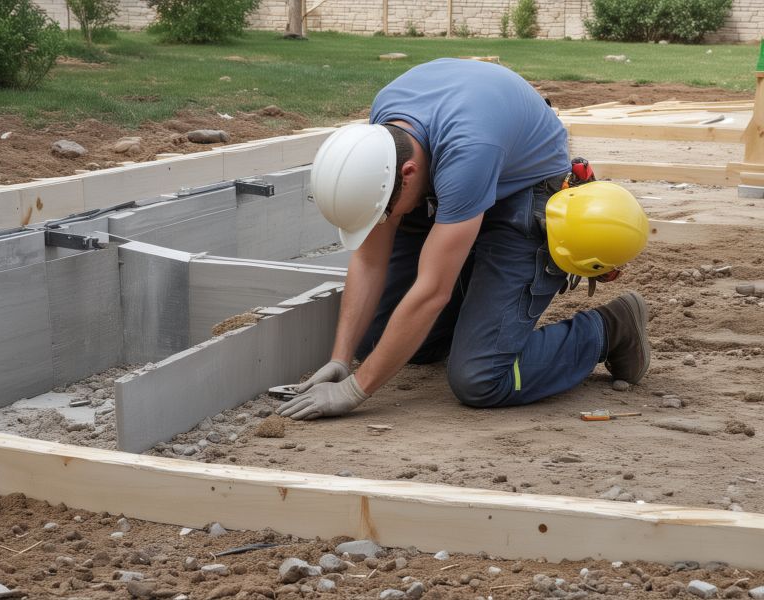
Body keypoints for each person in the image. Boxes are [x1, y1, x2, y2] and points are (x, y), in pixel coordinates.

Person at [276, 58, 649, 421]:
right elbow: (369, 259)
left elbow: (432, 290)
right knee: (380, 342)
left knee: (481, 378)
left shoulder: (468, 151)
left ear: (408, 173)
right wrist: (341, 360)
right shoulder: (385, 131)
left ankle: (610, 327)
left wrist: (354, 391)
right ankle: (479, 316)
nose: (385, 221)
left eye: (385, 212)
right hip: (460, 180)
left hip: (523, 193)